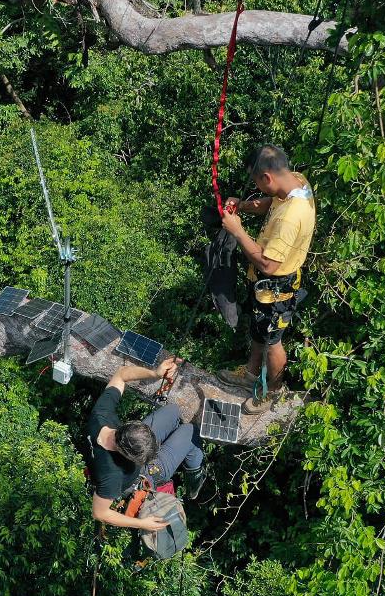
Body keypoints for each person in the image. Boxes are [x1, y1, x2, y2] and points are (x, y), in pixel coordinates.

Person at [217, 144, 316, 413]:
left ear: (267, 177)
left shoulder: (291, 217)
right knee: (260, 331)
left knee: (272, 341)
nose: (258, 188)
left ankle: (272, 391)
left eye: (257, 182)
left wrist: (238, 232)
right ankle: (250, 374)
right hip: (264, 287)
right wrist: (245, 206)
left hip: (276, 287)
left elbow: (269, 264)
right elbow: (271, 202)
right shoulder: (297, 181)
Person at [87, 357, 207, 530]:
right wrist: (142, 524)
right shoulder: (111, 477)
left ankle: (175, 448)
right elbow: (99, 513)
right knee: (190, 431)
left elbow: (121, 374)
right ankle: (193, 486)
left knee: (173, 411)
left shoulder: (100, 417)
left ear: (130, 426)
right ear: (128, 456)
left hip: (134, 443)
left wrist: (155, 373)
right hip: (144, 477)